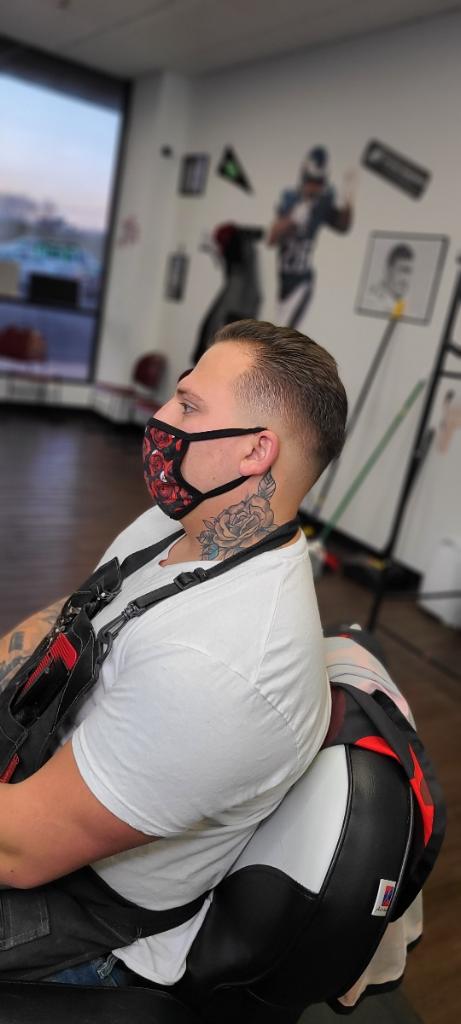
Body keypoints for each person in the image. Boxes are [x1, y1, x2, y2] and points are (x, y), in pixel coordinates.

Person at [0, 319, 347, 988]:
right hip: (43, 788)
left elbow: (19, 853)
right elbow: (72, 617)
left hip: (78, 902)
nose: (160, 416)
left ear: (254, 453)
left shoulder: (220, 665)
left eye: (187, 406)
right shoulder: (180, 522)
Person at [268, 146, 356, 328]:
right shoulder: (291, 198)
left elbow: (343, 226)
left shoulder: (323, 203)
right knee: (273, 336)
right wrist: (293, 218)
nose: (313, 186)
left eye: (318, 182)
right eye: (311, 181)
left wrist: (348, 197)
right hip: (282, 281)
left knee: (283, 339)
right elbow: (272, 239)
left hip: (301, 283)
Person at [366, 243, 414, 313]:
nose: (405, 278)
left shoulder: (401, 306)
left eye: (409, 272)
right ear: (388, 270)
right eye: (402, 270)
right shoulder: (370, 303)